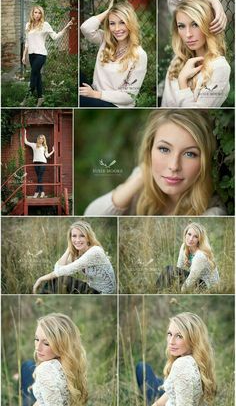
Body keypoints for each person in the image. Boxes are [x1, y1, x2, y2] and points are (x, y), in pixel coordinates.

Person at [83, 109, 225, 216]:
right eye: (164, 149)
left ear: (205, 161)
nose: (174, 166)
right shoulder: (141, 186)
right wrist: (140, 176)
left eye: (190, 154)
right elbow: (90, 215)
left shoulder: (213, 214)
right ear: (149, 150)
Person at [136, 312, 217, 406]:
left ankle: (160, 386)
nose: (171, 341)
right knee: (162, 382)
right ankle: (163, 383)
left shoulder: (181, 366)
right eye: (170, 334)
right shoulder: (199, 361)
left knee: (142, 367)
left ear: (193, 339)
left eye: (179, 336)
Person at [22, 313, 87, 406]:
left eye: (46, 343)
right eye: (36, 339)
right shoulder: (71, 366)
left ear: (62, 345)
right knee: (28, 366)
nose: (37, 347)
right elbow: (50, 396)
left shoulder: (44, 371)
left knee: (26, 366)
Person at [161, 0, 230, 108]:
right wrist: (213, 0)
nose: (188, 34)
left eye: (195, 24)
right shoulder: (177, 62)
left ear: (208, 25)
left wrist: (182, 81)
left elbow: (195, 114)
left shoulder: (220, 67)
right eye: (181, 26)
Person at [80, 0, 147, 108]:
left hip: (115, 104)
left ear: (130, 23)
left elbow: (129, 96)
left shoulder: (139, 54)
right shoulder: (105, 40)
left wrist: (96, 94)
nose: (117, 29)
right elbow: (85, 28)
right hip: (95, 94)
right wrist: (109, 10)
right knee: (77, 75)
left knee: (80, 101)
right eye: (112, 23)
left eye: (122, 22)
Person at [32, 221, 116, 294]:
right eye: (74, 236)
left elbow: (64, 271)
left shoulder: (95, 251)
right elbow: (57, 268)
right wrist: (69, 248)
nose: (77, 239)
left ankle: (38, 295)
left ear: (88, 237)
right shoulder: (79, 252)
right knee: (56, 280)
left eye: (82, 236)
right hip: (93, 289)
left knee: (61, 280)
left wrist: (40, 279)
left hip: (102, 294)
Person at [21, 5, 73, 107]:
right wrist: (24, 56)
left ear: (42, 14)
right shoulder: (28, 25)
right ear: (32, 13)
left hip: (41, 54)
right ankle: (41, 97)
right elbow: (27, 42)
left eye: (39, 13)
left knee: (33, 74)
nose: (37, 15)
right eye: (36, 12)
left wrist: (66, 27)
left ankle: (27, 97)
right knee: (38, 76)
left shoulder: (45, 25)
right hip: (31, 55)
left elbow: (55, 37)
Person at [156, 222, 220, 292]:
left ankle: (157, 291)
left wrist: (180, 292)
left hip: (206, 287)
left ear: (199, 239)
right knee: (169, 271)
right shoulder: (184, 247)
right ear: (185, 234)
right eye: (189, 234)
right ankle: (157, 291)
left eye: (195, 236)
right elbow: (178, 269)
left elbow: (192, 278)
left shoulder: (200, 255)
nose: (190, 239)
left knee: (169, 269)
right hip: (196, 280)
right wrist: (173, 283)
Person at [24, 129, 54, 199]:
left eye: (42, 139)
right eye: (40, 138)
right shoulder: (34, 145)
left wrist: (53, 151)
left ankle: (36, 192)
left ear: (44, 140)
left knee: (40, 177)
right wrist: (25, 132)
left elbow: (46, 155)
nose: (41, 140)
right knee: (39, 178)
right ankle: (42, 192)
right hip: (36, 162)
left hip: (43, 162)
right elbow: (26, 142)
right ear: (38, 139)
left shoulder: (45, 147)